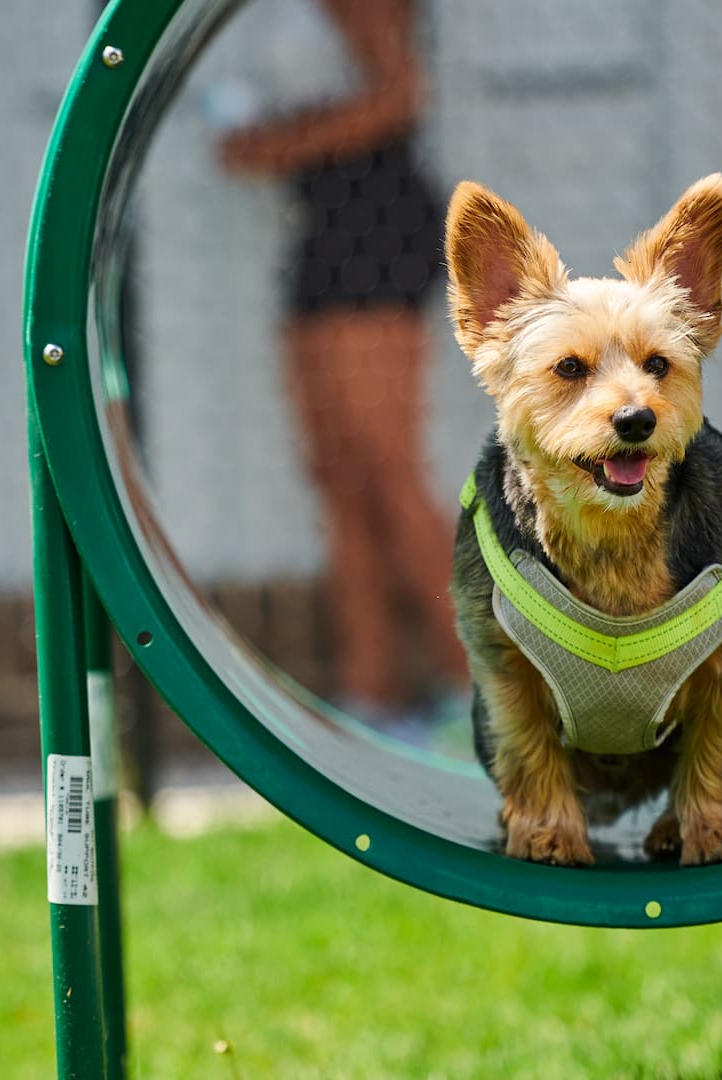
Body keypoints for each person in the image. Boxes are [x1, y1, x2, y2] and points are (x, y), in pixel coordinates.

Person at [212, 0, 467, 736]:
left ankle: (495, 694)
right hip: (322, 231)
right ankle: (373, 696)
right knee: (338, 476)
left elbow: (400, 94)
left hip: (378, 232)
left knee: (391, 474)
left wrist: (272, 146)